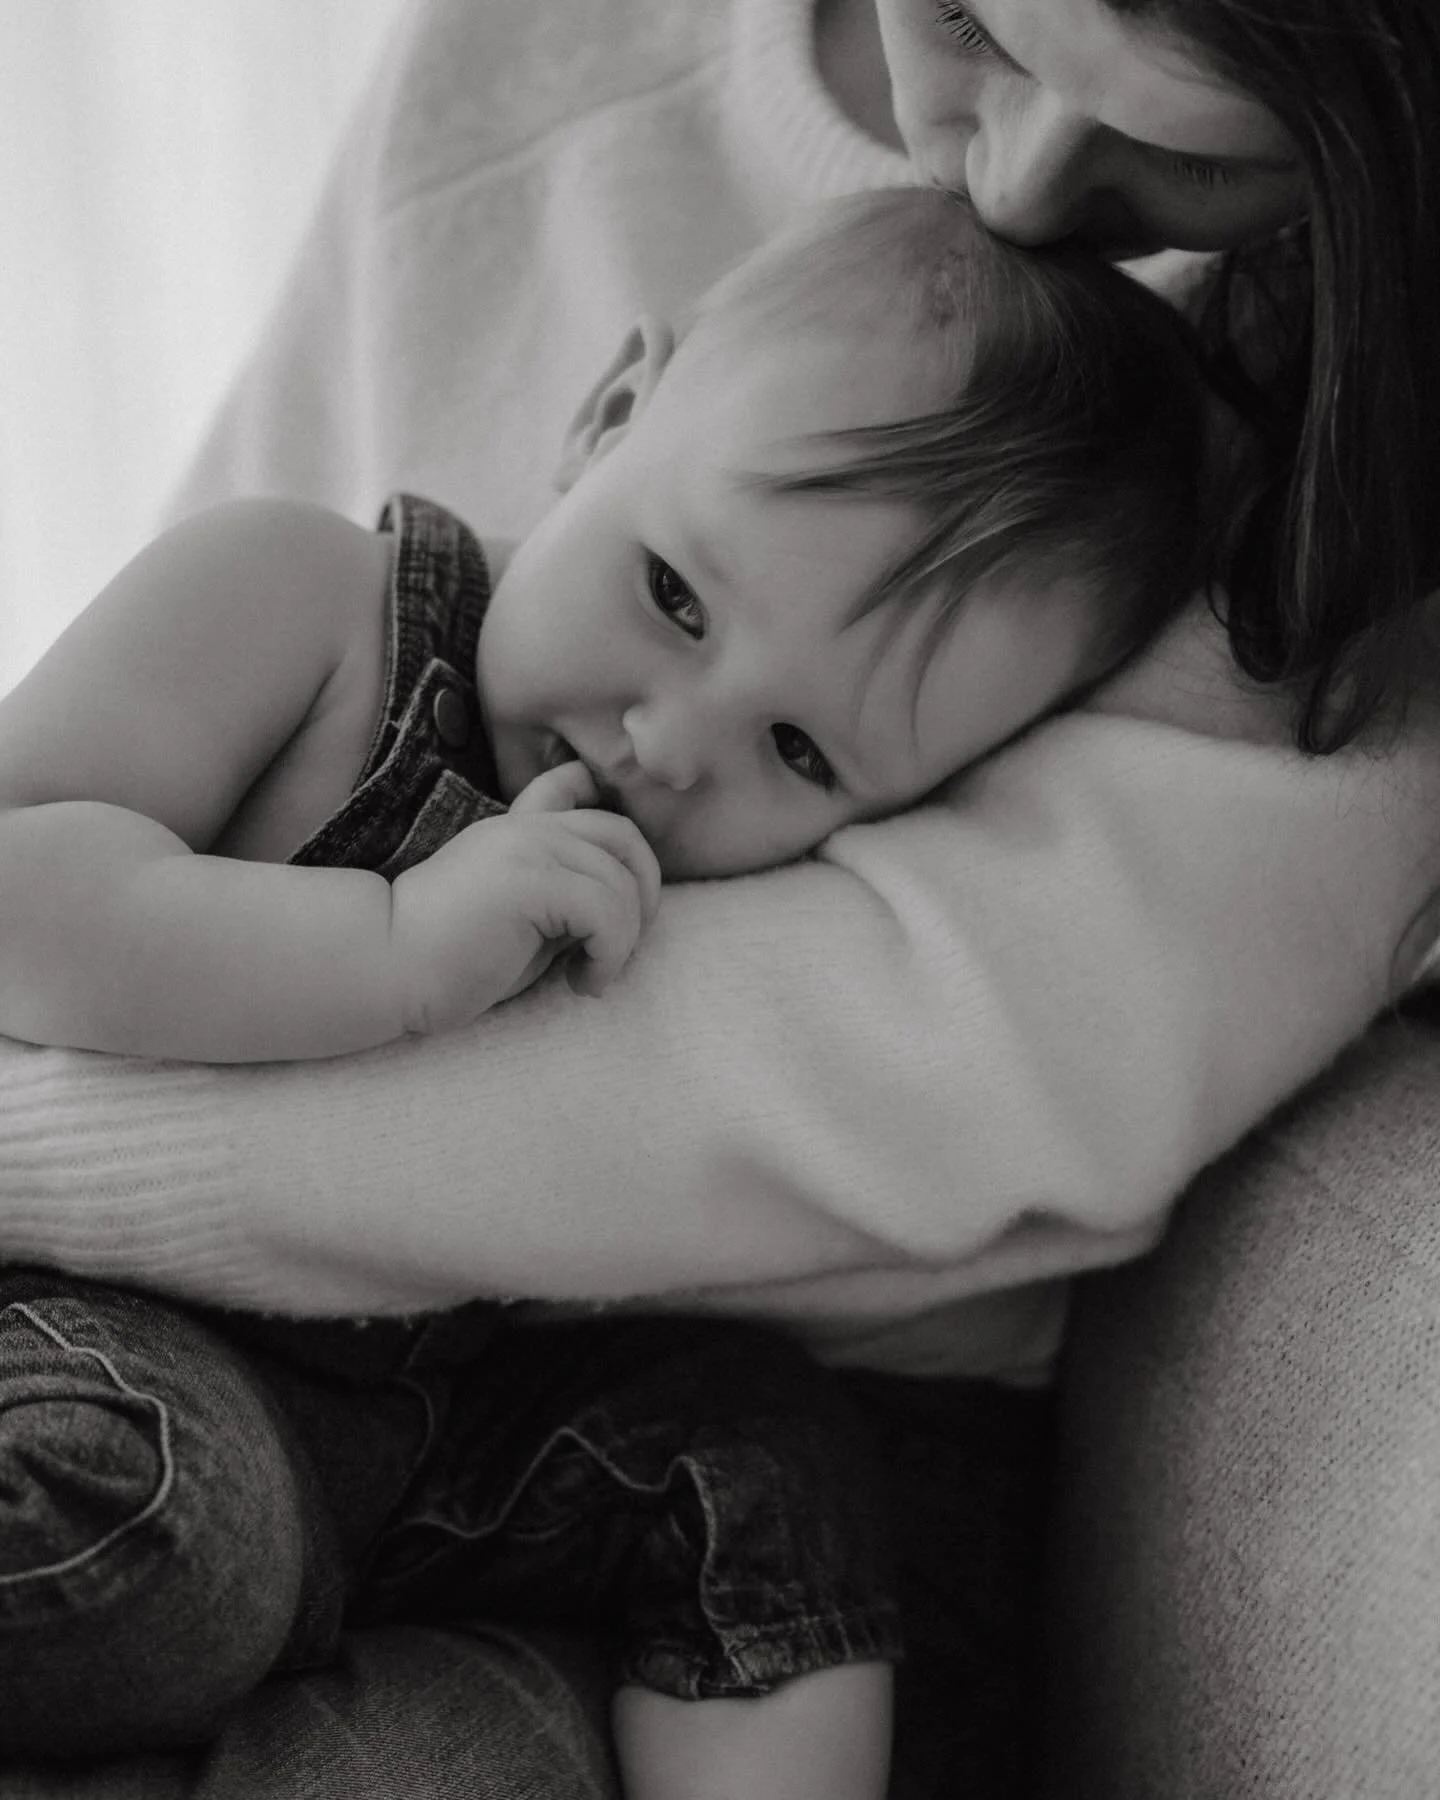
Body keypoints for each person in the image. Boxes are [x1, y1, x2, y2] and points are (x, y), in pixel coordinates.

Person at [1, 1, 1438, 1796]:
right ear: (606, 413)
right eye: (676, 595)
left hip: (461, 1444)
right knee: (158, 1526)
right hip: (142, 1341)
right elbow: (20, 880)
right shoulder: (301, 604)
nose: (674, 747)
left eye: (807, 757)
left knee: (737, 1515)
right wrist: (383, 954)